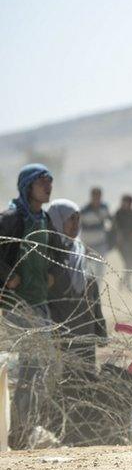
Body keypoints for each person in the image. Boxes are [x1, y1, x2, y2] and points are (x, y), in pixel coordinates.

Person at [0, 164, 55, 449]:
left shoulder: (43, 217)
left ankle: (27, 426)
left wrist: (50, 274)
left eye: (50, 181)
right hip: (17, 305)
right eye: (42, 182)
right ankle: (18, 431)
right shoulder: (11, 218)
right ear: (27, 186)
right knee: (30, 366)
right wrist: (7, 276)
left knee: (40, 366)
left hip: (40, 302)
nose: (48, 187)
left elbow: (55, 251)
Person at [47, 199, 107, 374]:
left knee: (85, 382)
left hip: (85, 333)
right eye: (70, 219)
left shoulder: (81, 252)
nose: (75, 224)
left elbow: (94, 295)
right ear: (57, 221)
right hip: (61, 335)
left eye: (77, 219)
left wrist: (100, 330)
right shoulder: (47, 254)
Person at [78, 187, 112, 280]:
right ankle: (88, 292)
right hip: (87, 245)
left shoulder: (104, 208)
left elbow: (110, 220)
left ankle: (97, 293)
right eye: (95, 196)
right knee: (87, 272)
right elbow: (77, 226)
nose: (97, 198)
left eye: (98, 196)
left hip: (100, 244)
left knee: (99, 272)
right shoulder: (84, 210)